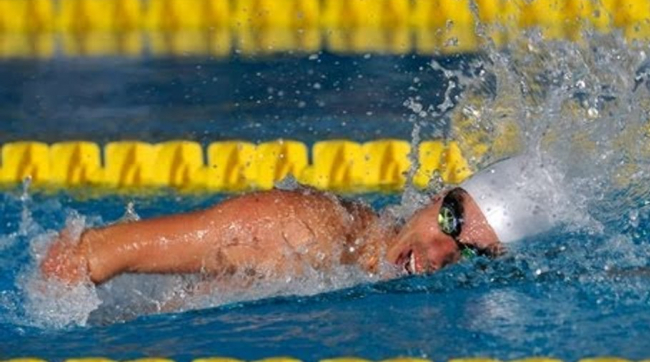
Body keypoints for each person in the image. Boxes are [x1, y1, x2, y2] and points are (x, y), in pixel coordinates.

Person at [41, 154, 559, 286]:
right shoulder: (299, 231)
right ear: (434, 196)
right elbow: (83, 255)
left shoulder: (361, 264)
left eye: (474, 253)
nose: (444, 254)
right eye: (451, 220)